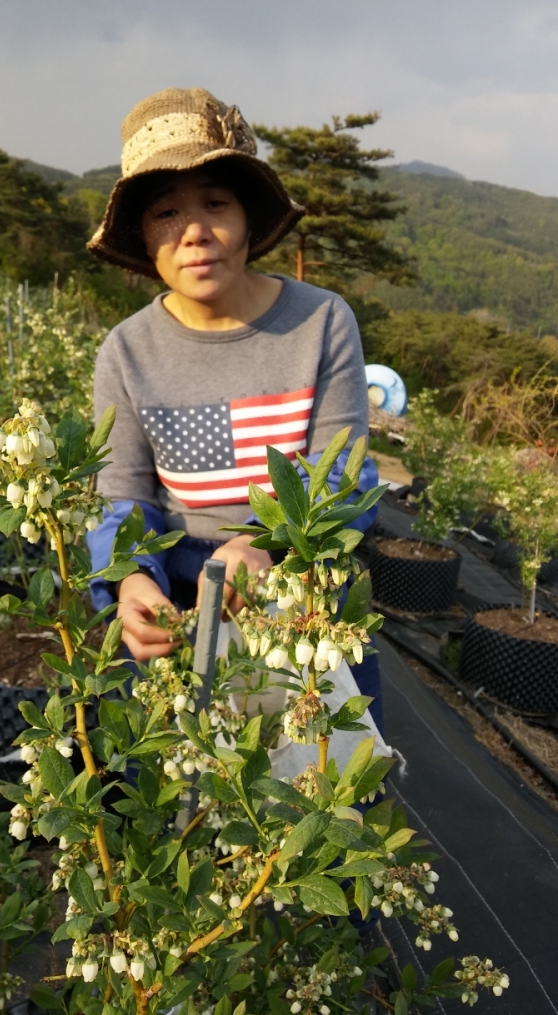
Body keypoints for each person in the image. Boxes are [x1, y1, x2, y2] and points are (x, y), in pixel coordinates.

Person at [86, 87, 383, 732]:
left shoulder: (321, 322)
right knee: (185, 790)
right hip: (181, 587)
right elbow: (123, 493)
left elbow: (344, 472)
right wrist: (131, 584)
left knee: (321, 787)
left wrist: (267, 542)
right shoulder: (127, 352)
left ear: (247, 217)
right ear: (145, 236)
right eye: (166, 212)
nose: (194, 231)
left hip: (302, 585)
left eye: (215, 203)